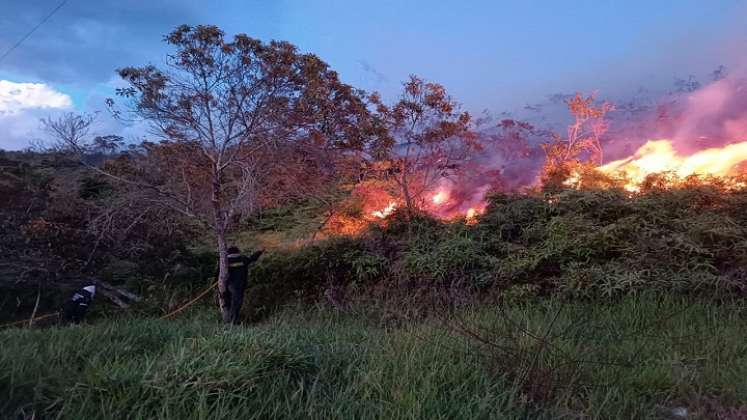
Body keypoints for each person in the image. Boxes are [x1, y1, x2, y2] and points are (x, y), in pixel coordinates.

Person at [218, 246, 264, 324]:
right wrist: (260, 251)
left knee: (227, 303)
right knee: (236, 304)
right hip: (239, 286)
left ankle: (228, 320)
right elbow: (252, 258)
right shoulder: (243, 259)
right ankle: (233, 322)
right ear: (238, 252)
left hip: (227, 286)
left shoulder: (224, 261)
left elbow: (218, 274)